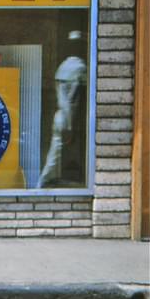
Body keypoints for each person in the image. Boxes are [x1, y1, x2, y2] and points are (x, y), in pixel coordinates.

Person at [38, 30, 87, 187]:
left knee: (56, 151)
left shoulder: (63, 66)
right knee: (57, 152)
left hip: (60, 114)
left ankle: (46, 180)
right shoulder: (80, 67)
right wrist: (70, 126)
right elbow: (72, 100)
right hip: (68, 117)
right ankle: (43, 181)